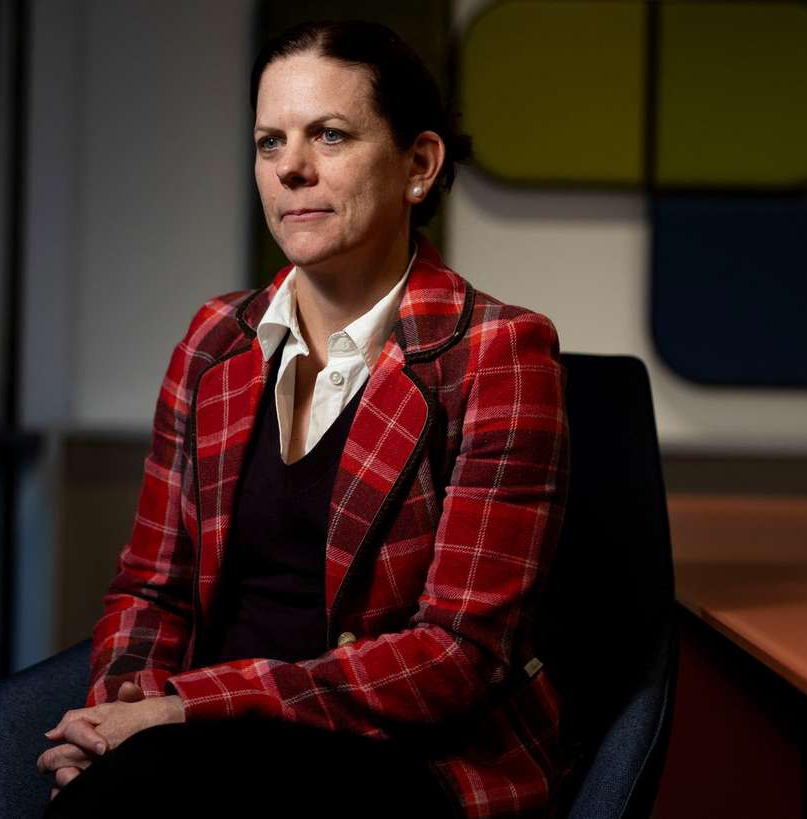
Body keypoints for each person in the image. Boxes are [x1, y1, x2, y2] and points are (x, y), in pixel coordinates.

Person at [36, 19, 571, 819]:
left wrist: (190, 706)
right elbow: (152, 587)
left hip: (398, 755)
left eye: (328, 135)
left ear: (419, 166)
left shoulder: (500, 353)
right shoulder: (214, 340)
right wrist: (124, 715)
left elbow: (458, 656)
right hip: (197, 745)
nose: (290, 168)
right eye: (267, 141)